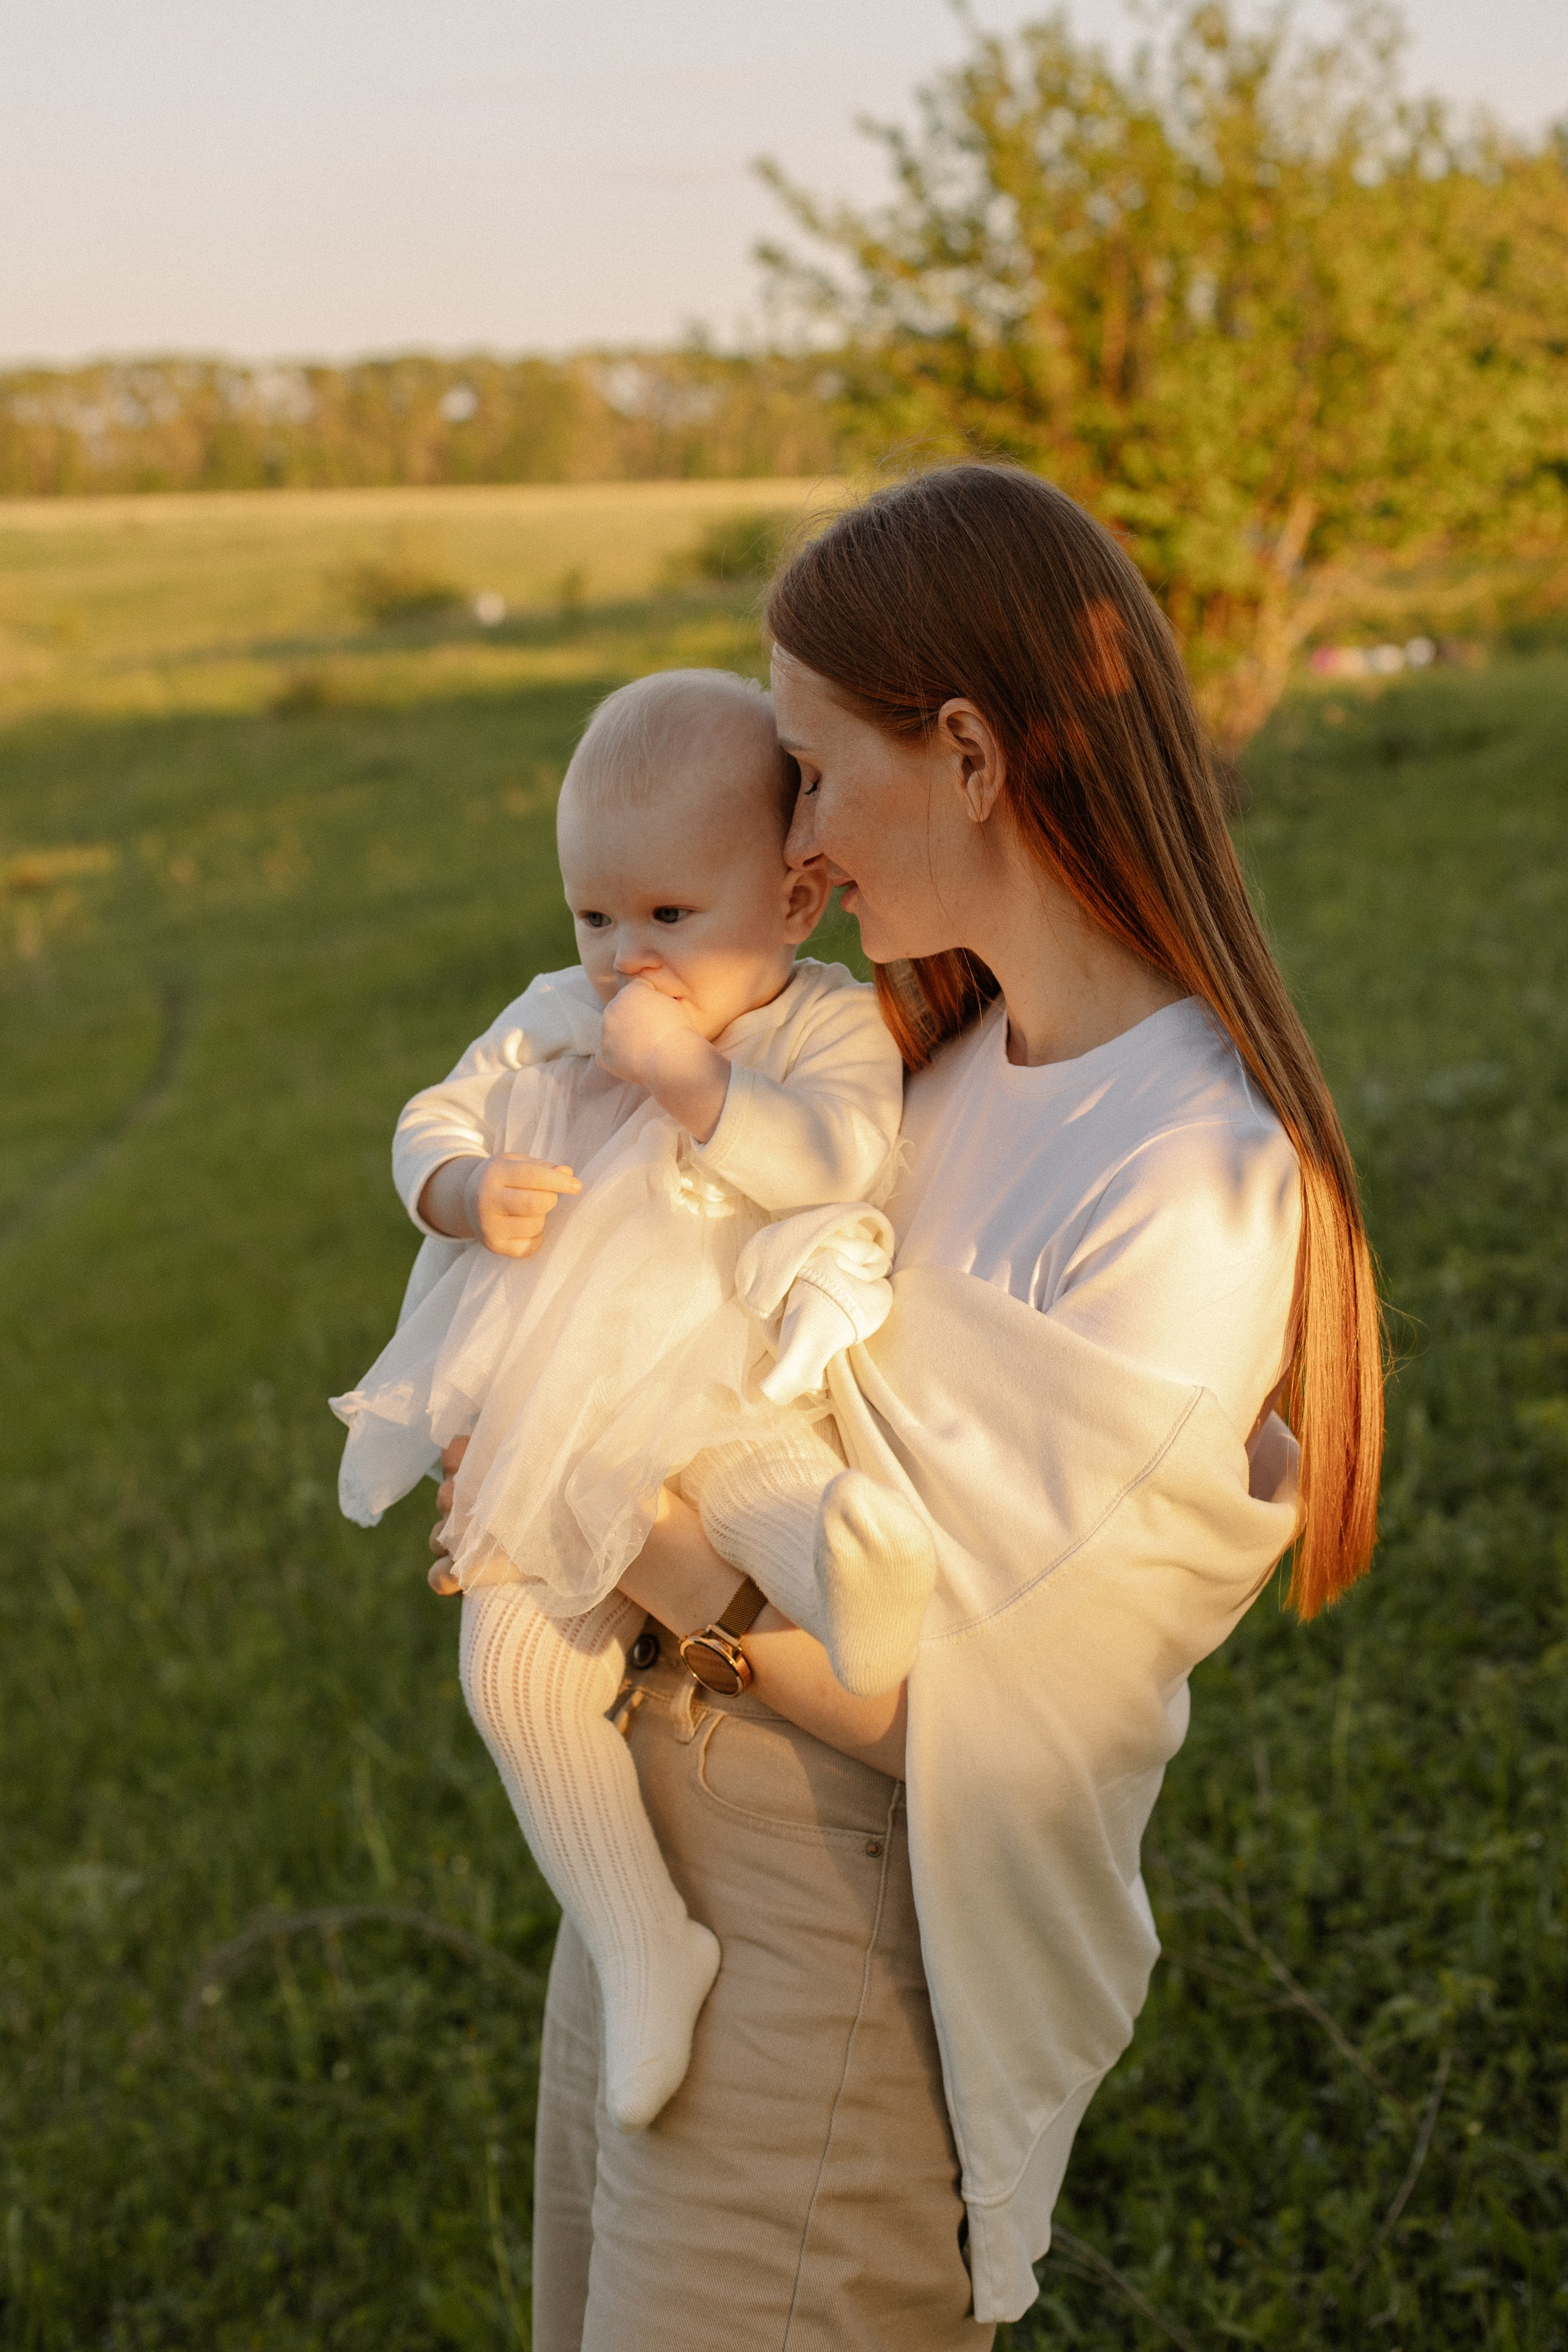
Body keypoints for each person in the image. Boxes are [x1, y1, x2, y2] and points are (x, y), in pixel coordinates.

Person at [435, 465, 1385, 2352]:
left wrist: (593, 1505)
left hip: (837, 1932)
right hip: (651, 1844)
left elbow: (966, 1707)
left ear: (968, 754)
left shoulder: (1193, 1173)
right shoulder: (924, 1073)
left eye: (808, 767)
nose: (791, 834)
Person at [334, 668, 938, 2134]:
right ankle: (640, 1939)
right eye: (593, 918)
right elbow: (435, 1110)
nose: (623, 962)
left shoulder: (817, 1027)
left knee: (752, 1479)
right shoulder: (556, 1010)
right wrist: (462, 1185)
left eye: (670, 917)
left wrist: (690, 1083)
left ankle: (847, 1574)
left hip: (723, 1377)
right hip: (561, 1404)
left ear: (795, 904)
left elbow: (841, 1161)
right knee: (507, 1676)